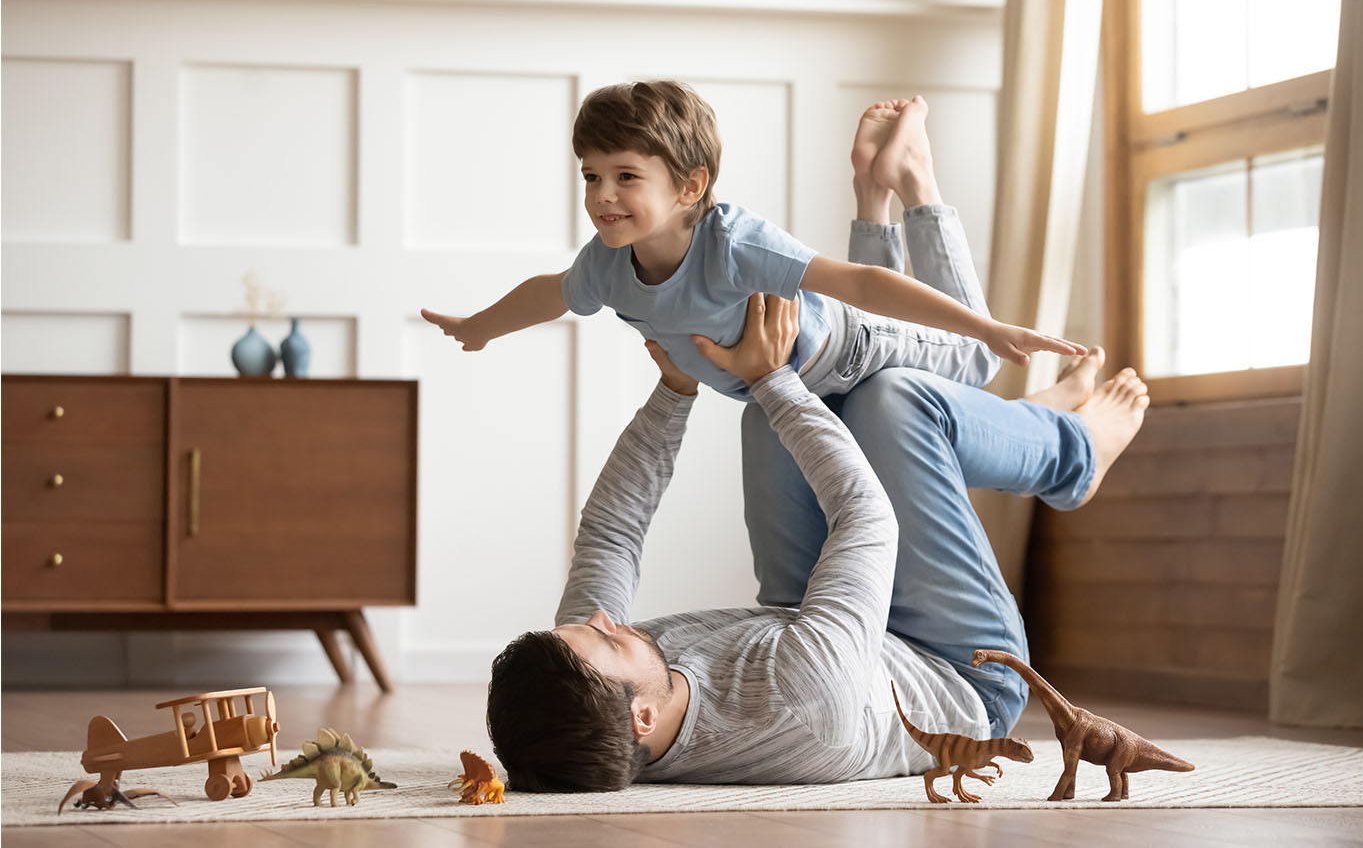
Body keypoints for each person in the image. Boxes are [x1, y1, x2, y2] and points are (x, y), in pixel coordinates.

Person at [484, 289, 1149, 792]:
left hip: (814, 623)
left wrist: (674, 388)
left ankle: (1021, 419)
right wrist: (772, 378)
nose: (605, 621)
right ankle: (1072, 452)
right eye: (604, 639)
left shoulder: (595, 693)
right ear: (642, 723)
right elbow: (867, 518)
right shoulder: (803, 702)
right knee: (893, 402)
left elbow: (611, 532)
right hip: (961, 669)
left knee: (772, 422)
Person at [421, 81, 1086, 404]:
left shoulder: (732, 243)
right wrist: (481, 327)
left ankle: (914, 184)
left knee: (977, 364)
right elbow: (553, 294)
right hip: (797, 383)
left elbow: (856, 285)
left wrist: (987, 326)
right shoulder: (607, 265)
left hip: (848, 350)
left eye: (626, 177)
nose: (601, 195)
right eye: (592, 175)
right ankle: (875, 187)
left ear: (690, 186)